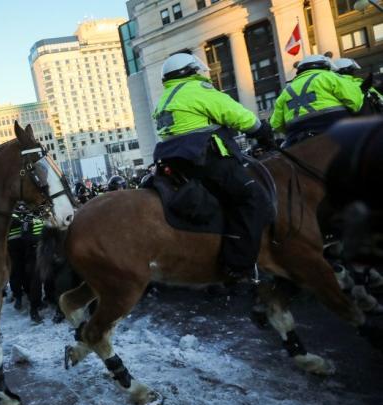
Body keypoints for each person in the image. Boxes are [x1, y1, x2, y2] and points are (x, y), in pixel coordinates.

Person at [152, 53, 273, 281]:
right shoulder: (198, 90)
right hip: (207, 160)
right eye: (197, 71)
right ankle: (238, 268)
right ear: (191, 72)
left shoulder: (164, 100)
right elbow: (236, 115)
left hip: (178, 166)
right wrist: (262, 130)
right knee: (252, 199)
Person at [270, 55, 364, 147]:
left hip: (297, 135)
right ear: (324, 66)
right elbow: (355, 101)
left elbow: (276, 124)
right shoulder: (328, 76)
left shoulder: (286, 91)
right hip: (335, 126)